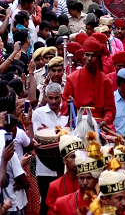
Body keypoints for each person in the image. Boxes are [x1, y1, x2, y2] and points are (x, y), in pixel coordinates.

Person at [62, 37, 116, 128]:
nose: (90, 59)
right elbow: (64, 108)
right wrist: (69, 104)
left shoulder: (106, 82)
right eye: (87, 55)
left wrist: (105, 121)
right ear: (83, 56)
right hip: (78, 123)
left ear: (98, 58)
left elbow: (110, 110)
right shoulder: (72, 78)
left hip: (99, 125)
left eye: (93, 55)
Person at [33, 82, 69, 214]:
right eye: (50, 98)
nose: (53, 101)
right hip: (45, 169)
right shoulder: (38, 113)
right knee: (47, 204)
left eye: (56, 98)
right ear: (46, 97)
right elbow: (38, 138)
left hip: (67, 168)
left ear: (61, 97)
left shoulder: (68, 112)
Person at [53, 132, 105, 215]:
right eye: (81, 178)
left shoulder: (106, 202)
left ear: (96, 179)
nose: (84, 183)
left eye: (89, 178)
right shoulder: (62, 203)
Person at [45, 134, 84, 215]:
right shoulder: (54, 186)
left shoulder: (89, 183)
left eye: (79, 156)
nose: (77, 160)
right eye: (73, 157)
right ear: (64, 160)